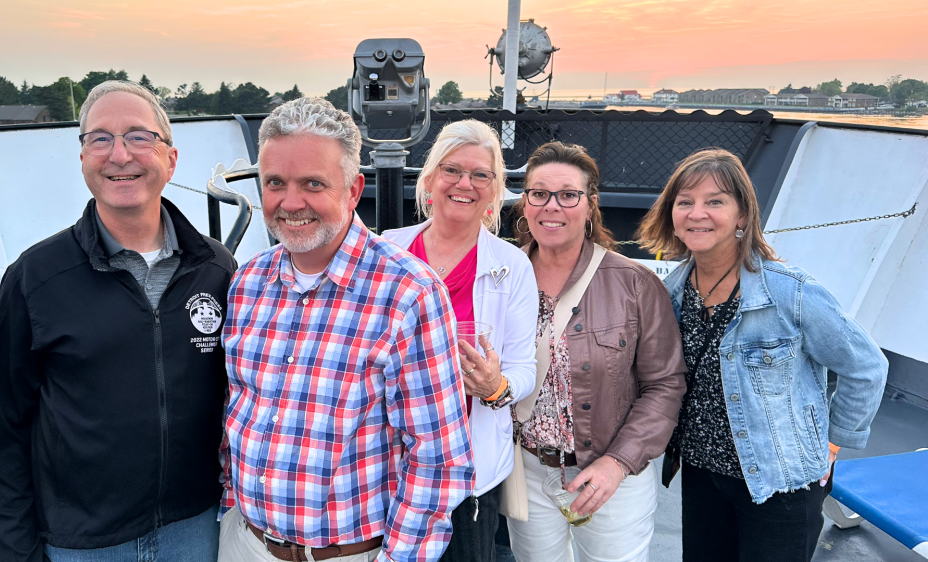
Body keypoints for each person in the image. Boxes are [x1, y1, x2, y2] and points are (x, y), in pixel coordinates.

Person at [0, 80, 236, 561]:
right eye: (100, 138)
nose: (119, 155)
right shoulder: (36, 279)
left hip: (197, 529)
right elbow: (0, 430)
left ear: (170, 159)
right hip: (82, 543)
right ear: (83, 160)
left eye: (139, 136)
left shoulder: (217, 270)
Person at [219, 97, 473, 562]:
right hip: (246, 544)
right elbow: (236, 411)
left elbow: (438, 459)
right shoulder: (246, 282)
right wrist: (231, 507)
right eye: (275, 183)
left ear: (354, 190)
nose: (290, 203)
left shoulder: (408, 293)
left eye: (313, 183)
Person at [636, 148, 889, 562]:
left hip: (781, 481)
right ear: (672, 216)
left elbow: (867, 366)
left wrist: (833, 444)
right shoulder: (672, 294)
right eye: (685, 202)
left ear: (741, 216)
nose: (697, 212)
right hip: (702, 475)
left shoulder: (790, 292)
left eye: (714, 201)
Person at [508, 141, 686, 562]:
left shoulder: (635, 283)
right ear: (526, 203)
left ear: (590, 206)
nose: (552, 206)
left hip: (611, 475)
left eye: (568, 195)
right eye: (539, 193)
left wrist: (617, 463)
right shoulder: (500, 276)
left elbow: (664, 385)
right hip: (526, 470)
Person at [381, 120, 539, 562]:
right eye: (452, 170)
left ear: (494, 191)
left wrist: (496, 388)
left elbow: (524, 369)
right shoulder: (388, 251)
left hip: (467, 475)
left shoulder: (512, 266)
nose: (464, 183)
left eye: (480, 175)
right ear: (429, 180)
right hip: (387, 463)